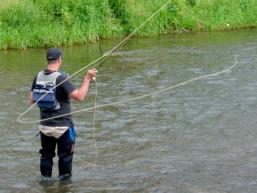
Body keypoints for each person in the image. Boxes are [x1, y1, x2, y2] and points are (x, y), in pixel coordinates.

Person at [29, 48, 97, 181]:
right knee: (65, 158)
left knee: (46, 156)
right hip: (63, 128)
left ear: (47, 60)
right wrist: (87, 78)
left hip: (45, 127)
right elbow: (80, 97)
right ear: (59, 59)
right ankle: (64, 185)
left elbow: (31, 99)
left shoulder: (38, 76)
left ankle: (45, 183)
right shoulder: (61, 78)